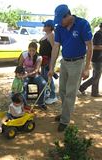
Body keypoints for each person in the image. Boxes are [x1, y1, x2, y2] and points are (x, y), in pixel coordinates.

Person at [48, 4, 93, 132]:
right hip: (65, 62)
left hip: (78, 63)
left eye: (60, 20)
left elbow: (89, 46)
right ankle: (64, 113)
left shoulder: (82, 24)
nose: (59, 23)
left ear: (67, 16)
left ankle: (65, 120)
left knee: (70, 93)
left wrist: (87, 67)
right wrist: (51, 67)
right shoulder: (59, 28)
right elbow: (56, 47)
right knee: (62, 90)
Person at [19, 42, 47, 110]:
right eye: (30, 50)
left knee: (43, 83)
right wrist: (22, 73)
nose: (31, 52)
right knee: (23, 85)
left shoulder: (39, 57)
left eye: (33, 51)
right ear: (28, 49)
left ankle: (41, 103)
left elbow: (36, 70)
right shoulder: (24, 54)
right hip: (25, 74)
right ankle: (24, 103)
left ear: (36, 50)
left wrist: (28, 74)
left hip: (34, 75)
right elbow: (19, 65)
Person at [79, 23, 102, 97]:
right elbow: (95, 47)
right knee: (96, 76)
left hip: (99, 59)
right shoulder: (98, 34)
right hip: (97, 59)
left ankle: (91, 91)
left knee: (96, 76)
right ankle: (84, 88)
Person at [39, 19, 58, 104]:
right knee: (44, 78)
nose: (44, 27)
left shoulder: (51, 35)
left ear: (49, 27)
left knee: (48, 78)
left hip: (48, 60)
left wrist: (52, 64)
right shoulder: (46, 35)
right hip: (43, 60)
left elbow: (54, 49)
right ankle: (48, 93)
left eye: (45, 25)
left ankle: (53, 96)